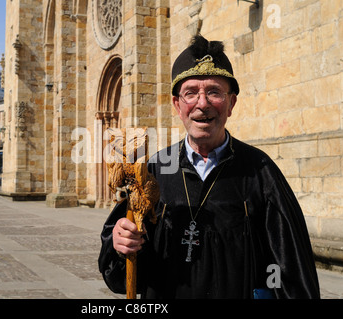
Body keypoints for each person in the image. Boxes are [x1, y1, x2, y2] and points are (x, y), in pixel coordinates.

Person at [98, 35, 320, 299]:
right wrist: (121, 246)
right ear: (177, 105)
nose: (202, 103)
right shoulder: (152, 172)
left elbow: (290, 272)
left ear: (231, 104)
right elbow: (119, 278)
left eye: (214, 92)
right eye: (190, 93)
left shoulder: (261, 172)